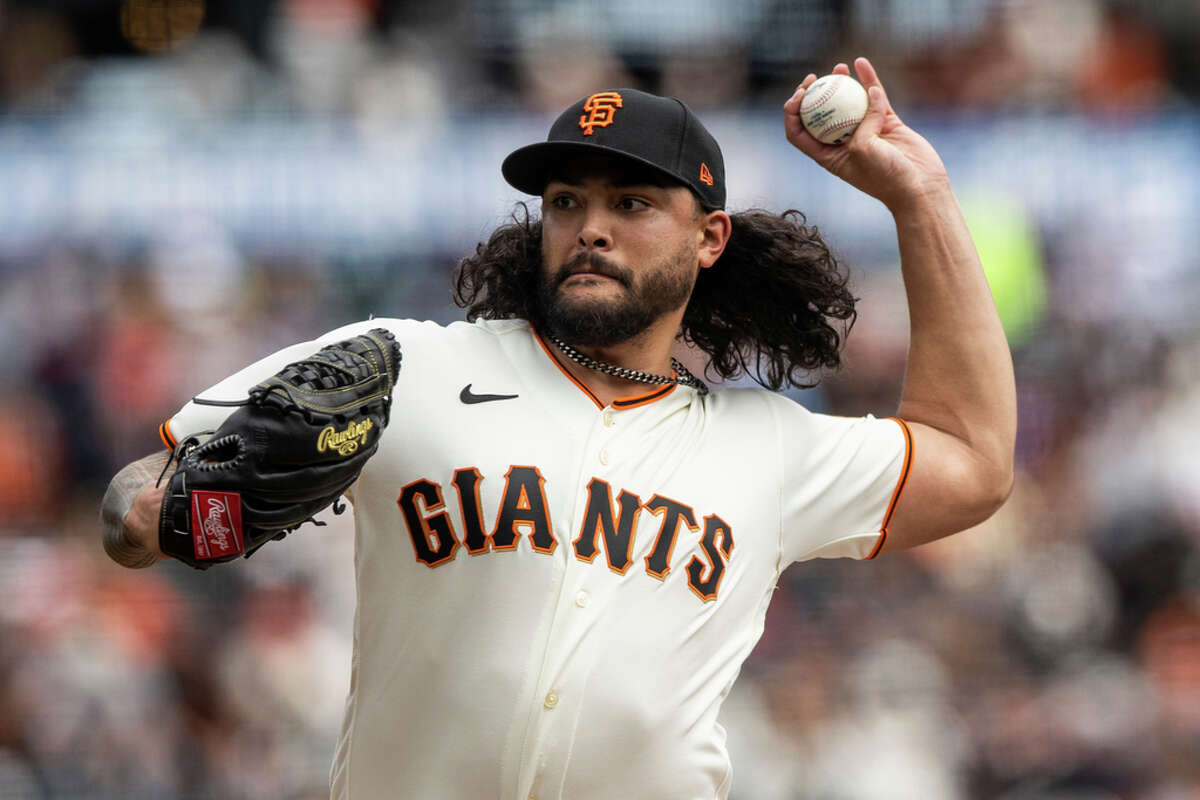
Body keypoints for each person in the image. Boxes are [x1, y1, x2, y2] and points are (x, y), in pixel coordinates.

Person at [101, 58, 1015, 799]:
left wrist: (920, 198)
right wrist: (178, 511)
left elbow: (972, 460)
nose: (591, 228)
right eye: (567, 201)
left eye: (633, 203)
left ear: (711, 238)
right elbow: (134, 508)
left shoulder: (765, 447)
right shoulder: (407, 367)